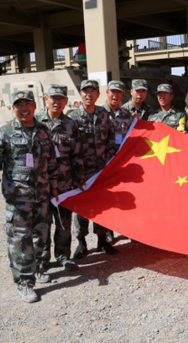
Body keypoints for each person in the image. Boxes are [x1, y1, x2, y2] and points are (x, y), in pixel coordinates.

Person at [0, 90, 59, 303]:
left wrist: (55, 186)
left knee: (41, 235)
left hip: (41, 195)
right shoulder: (5, 131)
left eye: (27, 104)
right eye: (19, 104)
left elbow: (52, 162)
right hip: (18, 198)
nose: (24, 108)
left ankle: (38, 269)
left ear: (34, 106)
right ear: (13, 108)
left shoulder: (43, 131)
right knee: (20, 240)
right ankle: (24, 282)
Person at [36, 84, 84, 272]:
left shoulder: (71, 124)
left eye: (61, 99)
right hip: (42, 183)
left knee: (64, 223)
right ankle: (43, 260)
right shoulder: (36, 122)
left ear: (66, 101)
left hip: (65, 183)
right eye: (53, 98)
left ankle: (63, 256)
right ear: (46, 99)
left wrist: (79, 180)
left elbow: (76, 154)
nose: (57, 102)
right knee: (42, 224)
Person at [68, 80, 118, 258]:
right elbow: (70, 147)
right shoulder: (73, 118)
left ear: (98, 95)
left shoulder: (104, 115)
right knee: (81, 208)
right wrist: (75, 170)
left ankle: (102, 240)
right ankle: (81, 243)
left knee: (102, 206)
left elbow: (111, 138)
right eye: (85, 91)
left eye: (92, 91)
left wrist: (109, 159)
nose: (89, 95)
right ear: (80, 94)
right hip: (81, 171)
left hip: (101, 170)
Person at [103, 80, 134, 152]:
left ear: (122, 95)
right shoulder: (98, 112)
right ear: (107, 92)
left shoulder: (126, 114)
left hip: (120, 156)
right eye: (113, 91)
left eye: (119, 92)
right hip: (103, 157)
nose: (115, 95)